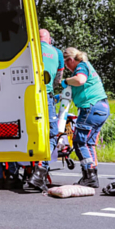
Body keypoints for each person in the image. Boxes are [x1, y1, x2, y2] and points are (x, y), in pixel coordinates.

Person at [62, 47, 110, 188]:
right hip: (102, 107)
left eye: (66, 64)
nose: (67, 68)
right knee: (88, 143)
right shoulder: (87, 66)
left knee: (79, 142)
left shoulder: (81, 66)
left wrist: (65, 81)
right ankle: (92, 175)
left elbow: (80, 80)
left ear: (70, 60)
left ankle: (89, 175)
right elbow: (76, 90)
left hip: (90, 107)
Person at [28, 29, 65, 191]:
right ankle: (39, 172)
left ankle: (16, 173)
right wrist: (51, 88)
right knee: (51, 133)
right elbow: (58, 78)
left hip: (26, 96)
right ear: (49, 40)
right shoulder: (57, 53)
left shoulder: (29, 48)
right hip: (45, 96)